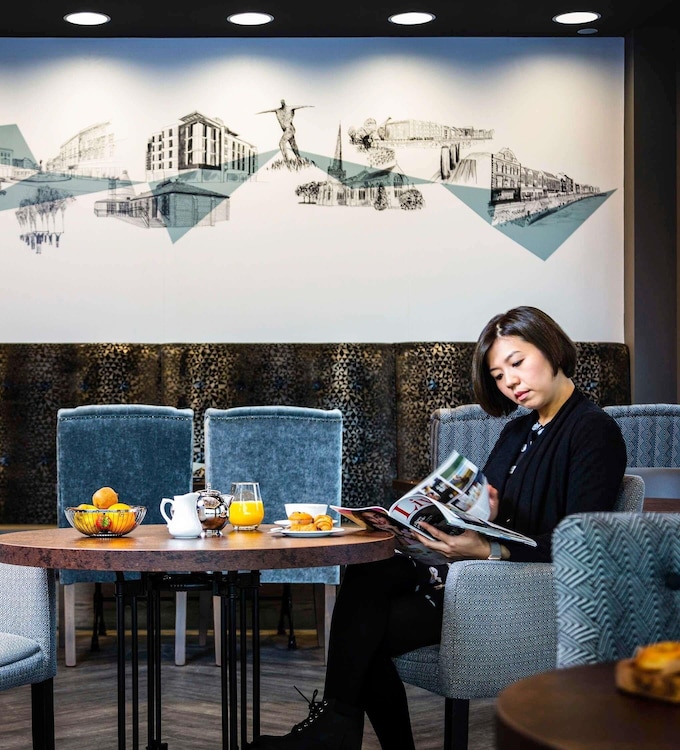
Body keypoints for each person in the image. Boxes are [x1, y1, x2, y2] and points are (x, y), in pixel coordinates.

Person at [249, 306, 626, 750]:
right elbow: (487, 513)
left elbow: (582, 544)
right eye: (499, 375)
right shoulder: (518, 431)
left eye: (517, 363)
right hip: (471, 574)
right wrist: (460, 518)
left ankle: (336, 729)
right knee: (370, 569)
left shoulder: (593, 431)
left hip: (518, 593)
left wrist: (486, 550)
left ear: (551, 348)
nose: (510, 382)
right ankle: (336, 727)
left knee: (365, 633)